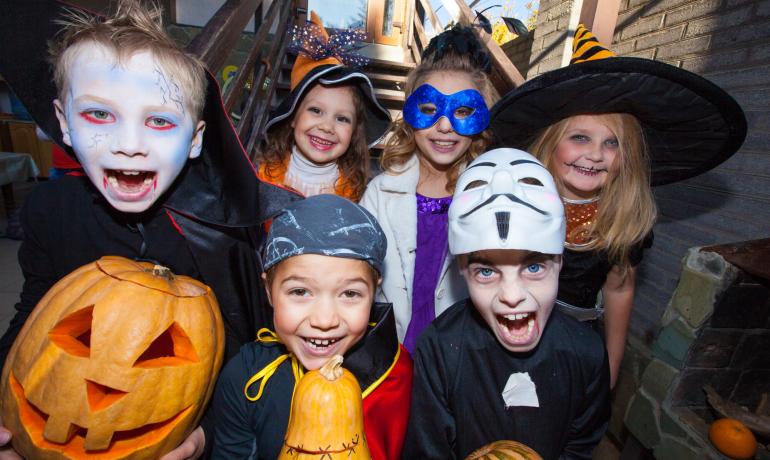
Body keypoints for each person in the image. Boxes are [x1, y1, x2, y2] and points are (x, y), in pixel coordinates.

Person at [0, 0, 299, 458]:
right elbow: (33, 319)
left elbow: (242, 352)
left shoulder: (220, 238)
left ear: (195, 139)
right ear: (62, 122)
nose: (129, 145)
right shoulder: (49, 210)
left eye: (159, 121)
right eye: (99, 114)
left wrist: (207, 435)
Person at [490, 25, 746, 387]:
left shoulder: (622, 221)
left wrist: (609, 371)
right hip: (505, 338)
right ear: (550, 145)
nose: (595, 154)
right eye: (580, 137)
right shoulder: (513, 202)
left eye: (612, 144)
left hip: (574, 350)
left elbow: (619, 290)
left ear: (628, 157)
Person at [404, 148, 610, 459]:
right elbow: (427, 449)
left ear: (559, 264)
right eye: (486, 271)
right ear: (462, 271)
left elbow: (581, 445)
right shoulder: (439, 348)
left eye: (533, 267)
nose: (512, 295)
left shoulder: (587, 352)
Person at [210, 194, 412, 460]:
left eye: (350, 294)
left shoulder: (394, 373)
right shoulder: (246, 376)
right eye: (300, 291)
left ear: (374, 293)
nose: (324, 320)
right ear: (269, 291)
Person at [361, 25, 496, 351]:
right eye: (429, 109)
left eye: (463, 111)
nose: (446, 125)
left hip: (460, 359)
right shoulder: (379, 194)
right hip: (388, 357)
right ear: (410, 113)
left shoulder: (491, 197)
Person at [256, 12, 391, 202]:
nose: (327, 127)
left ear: (354, 132)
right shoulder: (261, 179)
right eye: (316, 110)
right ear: (293, 116)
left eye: (342, 118)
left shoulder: (359, 195)